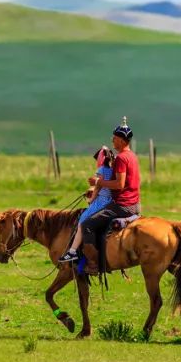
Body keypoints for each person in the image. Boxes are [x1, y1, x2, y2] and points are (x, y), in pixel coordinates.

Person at [79, 117, 142, 275]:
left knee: (87, 224)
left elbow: (119, 185)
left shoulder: (121, 158)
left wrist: (99, 182)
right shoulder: (132, 156)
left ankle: (93, 265)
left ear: (121, 140)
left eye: (114, 138)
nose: (112, 140)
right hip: (135, 204)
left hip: (122, 205)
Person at [59, 146, 115, 263]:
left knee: (82, 222)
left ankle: (73, 251)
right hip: (110, 201)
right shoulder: (113, 170)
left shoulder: (101, 171)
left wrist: (91, 200)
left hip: (101, 201)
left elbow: (98, 188)